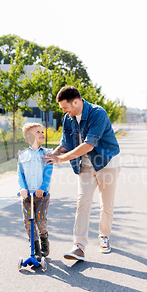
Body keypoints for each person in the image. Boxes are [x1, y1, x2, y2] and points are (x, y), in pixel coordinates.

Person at [43, 86, 121, 261]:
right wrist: (50, 157)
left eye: (65, 107)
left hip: (106, 162)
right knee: (82, 203)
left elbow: (89, 144)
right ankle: (78, 246)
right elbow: (65, 144)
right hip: (85, 164)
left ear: (76, 102)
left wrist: (60, 160)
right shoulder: (68, 118)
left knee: (106, 204)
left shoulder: (97, 113)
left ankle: (104, 236)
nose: (64, 111)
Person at [17, 123, 53, 261]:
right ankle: (35, 247)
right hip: (27, 195)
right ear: (28, 137)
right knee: (28, 221)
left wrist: (43, 188)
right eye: (38, 131)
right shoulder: (22, 156)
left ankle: (44, 237)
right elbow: (19, 174)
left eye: (42, 131)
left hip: (41, 195)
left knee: (40, 220)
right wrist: (22, 188)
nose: (42, 133)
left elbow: (48, 172)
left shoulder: (47, 153)